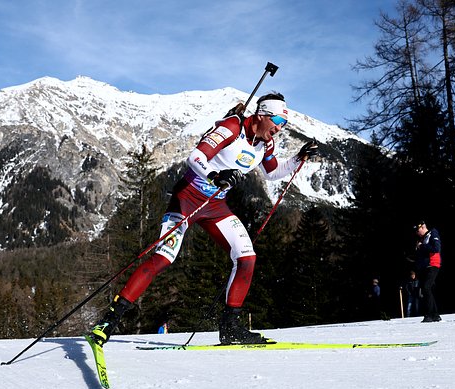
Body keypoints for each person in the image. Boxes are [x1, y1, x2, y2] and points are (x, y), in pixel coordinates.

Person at [87, 92, 319, 346]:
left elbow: (272, 173)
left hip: (215, 206)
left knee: (246, 258)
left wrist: (299, 157)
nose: (279, 129)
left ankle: (230, 328)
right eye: (277, 122)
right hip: (186, 200)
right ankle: (108, 322)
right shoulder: (232, 127)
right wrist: (215, 175)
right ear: (262, 115)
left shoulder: (265, 143)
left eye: (283, 125)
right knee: (163, 259)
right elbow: (195, 157)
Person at [414, 220, 442, 322]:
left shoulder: (432, 233)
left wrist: (422, 246)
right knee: (427, 289)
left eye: (417, 231)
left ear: (422, 227)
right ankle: (435, 315)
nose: (417, 233)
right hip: (425, 266)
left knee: (426, 288)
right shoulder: (423, 238)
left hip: (433, 264)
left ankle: (429, 314)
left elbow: (436, 248)